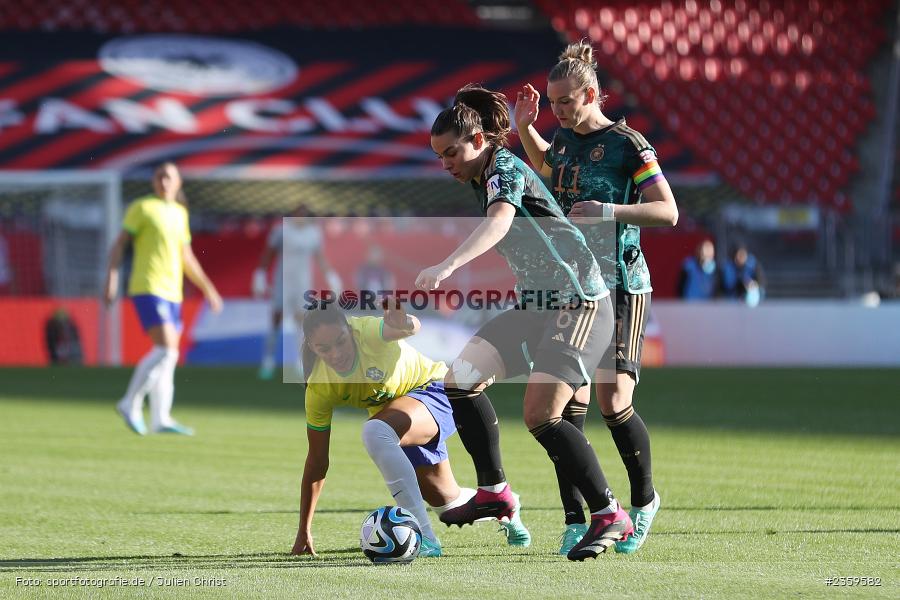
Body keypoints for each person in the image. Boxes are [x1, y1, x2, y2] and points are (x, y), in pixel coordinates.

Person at [417, 84, 631, 561]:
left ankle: (609, 513)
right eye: (438, 156)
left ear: (477, 141)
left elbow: (498, 222)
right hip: (537, 306)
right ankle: (495, 491)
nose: (445, 163)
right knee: (460, 380)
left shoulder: (503, 168)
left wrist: (448, 266)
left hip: (579, 303)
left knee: (540, 415)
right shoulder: (482, 173)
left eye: (451, 152)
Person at [514, 41, 678, 554]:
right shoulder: (562, 138)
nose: (557, 110)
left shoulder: (629, 143)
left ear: (591, 93)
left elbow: (668, 211)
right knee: (563, 405)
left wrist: (607, 212)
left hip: (623, 285)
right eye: (551, 101)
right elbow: (549, 166)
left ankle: (644, 501)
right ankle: (576, 517)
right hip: (575, 288)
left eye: (564, 101)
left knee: (613, 399)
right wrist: (526, 127)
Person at [290, 300, 531, 558]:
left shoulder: (368, 332)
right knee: (449, 506)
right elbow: (317, 461)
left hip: (437, 390)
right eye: (323, 348)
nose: (336, 354)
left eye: (340, 341)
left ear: (349, 329)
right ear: (312, 347)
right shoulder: (319, 386)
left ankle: (423, 538)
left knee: (375, 432)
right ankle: (505, 507)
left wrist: (404, 323)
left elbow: (410, 328)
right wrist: (304, 528)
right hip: (401, 421)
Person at [105, 161, 223, 436]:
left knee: (170, 357)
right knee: (166, 349)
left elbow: (187, 257)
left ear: (179, 182)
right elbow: (120, 243)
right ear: (153, 181)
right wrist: (111, 277)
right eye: (159, 176)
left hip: (173, 291)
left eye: (169, 177)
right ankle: (129, 402)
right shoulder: (142, 208)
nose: (164, 181)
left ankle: (161, 418)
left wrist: (208, 289)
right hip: (147, 286)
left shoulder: (180, 213)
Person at [252, 205, 339, 380]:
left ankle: (300, 363)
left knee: (302, 322)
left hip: (302, 285)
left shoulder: (313, 233)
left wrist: (331, 276)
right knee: (276, 319)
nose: (301, 218)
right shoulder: (281, 231)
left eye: (304, 215)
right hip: (282, 282)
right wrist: (260, 274)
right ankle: (268, 360)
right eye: (298, 215)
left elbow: (319, 257)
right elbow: (268, 254)